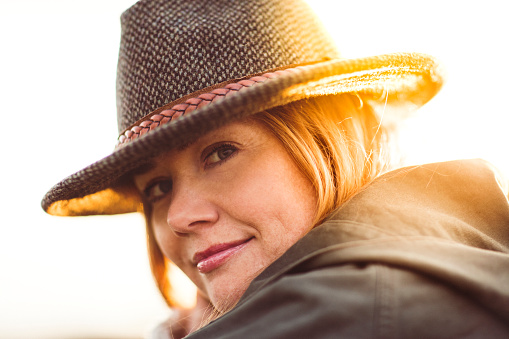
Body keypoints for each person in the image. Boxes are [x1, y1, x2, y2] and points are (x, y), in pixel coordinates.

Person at [41, 0, 509, 338]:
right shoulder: (450, 266)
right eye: (158, 187)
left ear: (332, 137)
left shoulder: (336, 313)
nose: (180, 216)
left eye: (220, 153)